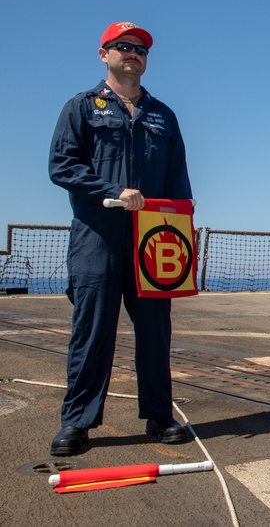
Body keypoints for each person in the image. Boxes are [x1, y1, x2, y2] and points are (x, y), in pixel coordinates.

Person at [48, 22, 193, 456]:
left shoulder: (163, 115)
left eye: (141, 50)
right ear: (103, 53)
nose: (133, 54)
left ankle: (159, 414)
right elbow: (62, 166)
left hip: (153, 241)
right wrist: (111, 193)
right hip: (98, 237)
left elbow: (177, 180)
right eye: (124, 47)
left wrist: (181, 227)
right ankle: (77, 421)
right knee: (92, 331)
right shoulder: (81, 107)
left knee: (155, 331)